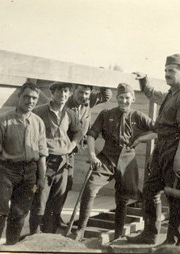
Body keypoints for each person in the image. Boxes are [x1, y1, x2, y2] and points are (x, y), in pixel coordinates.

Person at [126, 54, 180, 246]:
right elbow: (152, 96)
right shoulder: (171, 93)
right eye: (165, 71)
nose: (166, 74)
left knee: (175, 196)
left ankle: (172, 242)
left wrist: (178, 159)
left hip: (177, 149)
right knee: (150, 190)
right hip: (163, 148)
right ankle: (149, 234)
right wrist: (144, 80)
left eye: (171, 71)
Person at [75, 83, 156, 241]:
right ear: (117, 98)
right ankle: (80, 231)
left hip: (128, 158)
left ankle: (118, 234)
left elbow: (159, 130)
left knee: (124, 196)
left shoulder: (138, 116)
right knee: (90, 187)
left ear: (132, 99)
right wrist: (92, 155)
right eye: (120, 98)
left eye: (127, 98)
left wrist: (141, 138)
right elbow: (92, 135)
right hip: (106, 156)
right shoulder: (106, 114)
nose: (124, 101)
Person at [0, 81, 48, 247]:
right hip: (5, 173)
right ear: (19, 96)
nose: (30, 101)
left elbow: (42, 155)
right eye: (26, 96)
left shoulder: (39, 122)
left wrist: (41, 178)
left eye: (34, 98)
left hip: (29, 176)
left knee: (19, 214)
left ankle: (11, 247)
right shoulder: (1, 121)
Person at [28, 82, 83, 234]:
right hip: (44, 162)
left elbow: (78, 132)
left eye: (66, 92)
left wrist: (71, 146)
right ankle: (34, 235)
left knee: (57, 201)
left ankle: (49, 234)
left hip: (63, 163)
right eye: (59, 91)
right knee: (40, 199)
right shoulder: (38, 112)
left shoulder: (70, 113)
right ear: (52, 93)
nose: (63, 95)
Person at [57, 84, 112, 227]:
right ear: (73, 91)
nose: (83, 96)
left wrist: (99, 79)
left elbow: (106, 95)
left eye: (86, 93)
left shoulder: (88, 100)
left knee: (67, 184)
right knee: (60, 185)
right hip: (62, 148)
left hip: (72, 150)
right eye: (80, 92)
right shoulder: (65, 106)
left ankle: (55, 216)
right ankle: (51, 217)